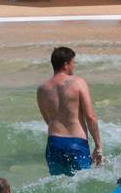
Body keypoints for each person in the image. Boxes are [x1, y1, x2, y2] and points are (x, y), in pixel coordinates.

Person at [37, 46, 104, 175]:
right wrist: (98, 145)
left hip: (53, 144)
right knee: (81, 185)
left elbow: (48, 119)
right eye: (73, 63)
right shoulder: (78, 83)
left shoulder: (42, 89)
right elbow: (90, 116)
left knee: (58, 185)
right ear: (66, 64)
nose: (74, 66)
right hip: (76, 143)